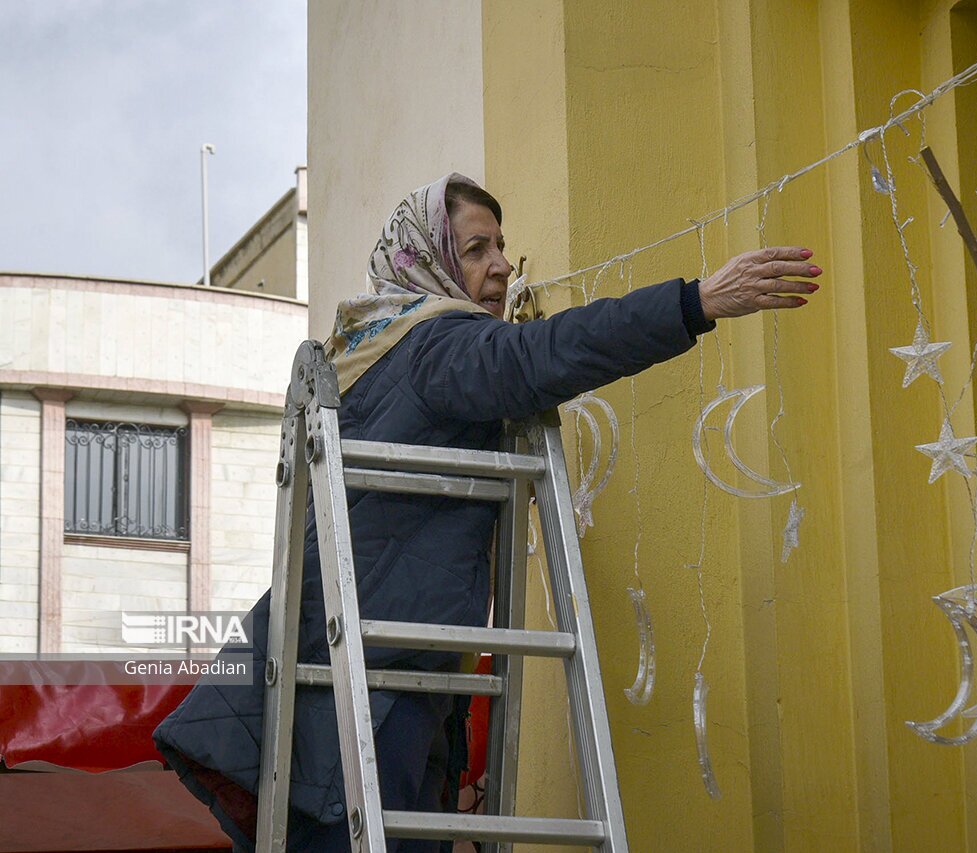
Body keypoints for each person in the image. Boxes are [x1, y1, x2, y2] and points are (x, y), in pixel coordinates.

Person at [153, 173, 821, 852]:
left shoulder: (365, 356)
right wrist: (696, 301)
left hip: (349, 675)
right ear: (428, 258)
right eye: (475, 249)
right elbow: (547, 352)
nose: (501, 264)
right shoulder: (435, 346)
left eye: (501, 245)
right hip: (374, 695)